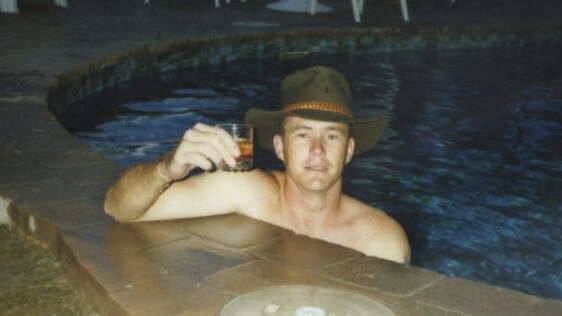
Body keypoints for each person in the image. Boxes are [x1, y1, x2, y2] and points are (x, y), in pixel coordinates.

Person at [104, 66, 410, 264]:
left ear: (348, 150)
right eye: (303, 134)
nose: (317, 150)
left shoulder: (381, 240)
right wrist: (167, 168)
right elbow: (119, 208)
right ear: (280, 146)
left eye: (332, 136)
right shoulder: (246, 190)